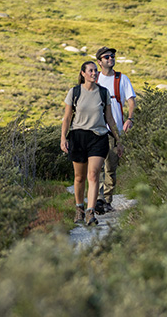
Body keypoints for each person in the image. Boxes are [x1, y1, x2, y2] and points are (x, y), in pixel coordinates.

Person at [61, 60, 122, 226]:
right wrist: (63, 138)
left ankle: (90, 212)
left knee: (93, 175)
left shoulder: (103, 92)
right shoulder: (74, 92)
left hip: (98, 137)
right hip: (78, 137)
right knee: (79, 177)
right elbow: (67, 118)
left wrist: (118, 140)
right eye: (91, 71)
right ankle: (79, 208)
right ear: (83, 73)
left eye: (96, 71)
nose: (94, 73)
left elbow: (109, 118)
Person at [94, 46, 136, 215]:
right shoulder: (94, 79)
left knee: (110, 167)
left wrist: (130, 119)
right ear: (100, 61)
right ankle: (97, 200)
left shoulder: (121, 79)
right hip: (95, 130)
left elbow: (131, 101)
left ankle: (106, 200)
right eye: (107, 57)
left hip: (114, 130)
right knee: (96, 168)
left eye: (112, 56)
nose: (110, 59)